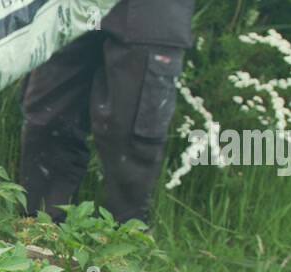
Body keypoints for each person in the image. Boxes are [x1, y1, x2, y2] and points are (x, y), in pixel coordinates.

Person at [19, 0, 197, 223]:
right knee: (48, 118)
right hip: (74, 8)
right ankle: (39, 232)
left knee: (131, 137)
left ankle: (120, 246)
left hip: (152, 11)